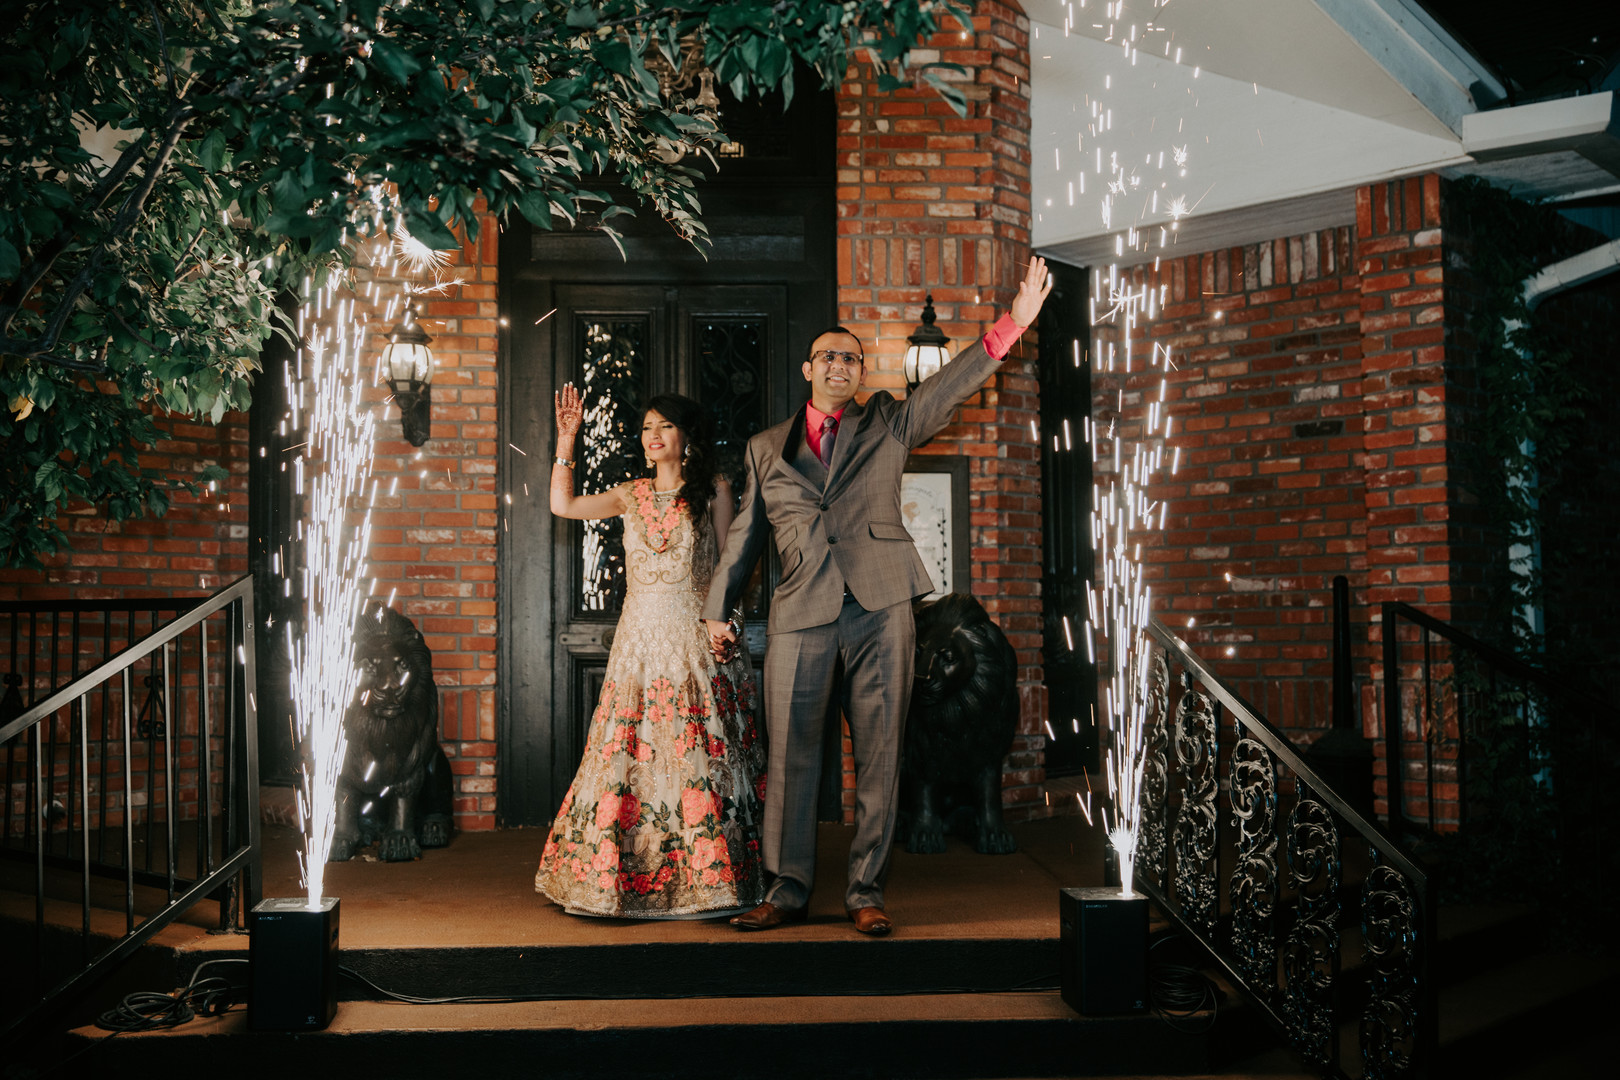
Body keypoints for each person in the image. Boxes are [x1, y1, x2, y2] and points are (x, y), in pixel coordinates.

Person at [702, 257, 1054, 936]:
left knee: (882, 752)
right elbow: (745, 539)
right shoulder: (764, 449)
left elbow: (950, 385)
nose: (840, 365)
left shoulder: (890, 423)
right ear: (808, 370)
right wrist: (718, 611)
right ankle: (788, 888)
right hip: (800, 611)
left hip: (882, 606)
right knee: (793, 754)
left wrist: (1014, 323)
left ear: (861, 375)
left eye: (852, 359)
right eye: (828, 356)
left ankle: (866, 891)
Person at [535, 390, 765, 918]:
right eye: (645, 428)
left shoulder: (712, 491)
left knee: (693, 751)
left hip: (689, 635)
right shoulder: (629, 495)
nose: (653, 436)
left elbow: (732, 568)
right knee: (627, 752)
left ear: (686, 437)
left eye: (664, 426)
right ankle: (618, 877)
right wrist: (567, 441)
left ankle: (706, 878)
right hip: (638, 637)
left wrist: (725, 625)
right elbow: (562, 506)